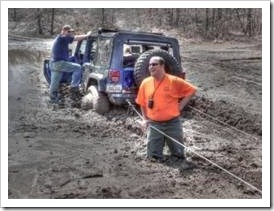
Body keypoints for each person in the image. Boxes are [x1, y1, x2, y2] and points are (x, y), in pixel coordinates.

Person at [135, 56, 197, 169]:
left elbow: (192, 90)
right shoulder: (145, 83)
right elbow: (142, 103)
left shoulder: (173, 80)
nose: (151, 67)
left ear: (162, 66)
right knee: (152, 156)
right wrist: (145, 120)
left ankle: (177, 162)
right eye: (149, 65)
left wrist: (181, 105)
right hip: (155, 124)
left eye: (154, 64)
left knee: (178, 154)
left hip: (173, 123)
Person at [49, 25, 91, 106]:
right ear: (63, 31)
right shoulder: (63, 38)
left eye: (70, 32)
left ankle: (53, 100)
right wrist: (87, 35)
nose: (69, 33)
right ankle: (74, 87)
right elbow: (76, 38)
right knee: (78, 67)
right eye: (68, 32)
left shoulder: (59, 38)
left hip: (54, 63)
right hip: (59, 63)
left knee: (54, 82)